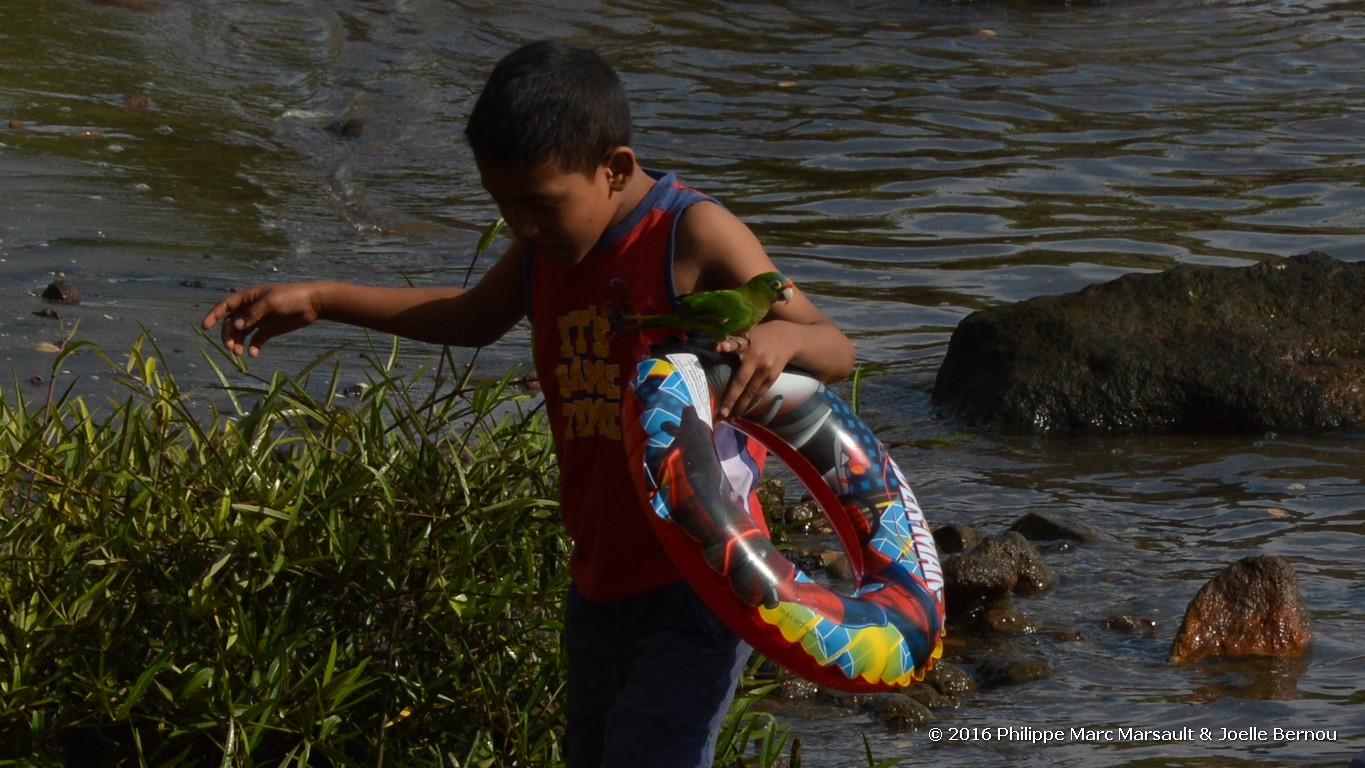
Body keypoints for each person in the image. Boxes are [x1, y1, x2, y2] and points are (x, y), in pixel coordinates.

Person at [202, 40, 855, 768]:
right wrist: (323, 298)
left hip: (698, 572)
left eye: (538, 205)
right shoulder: (547, 247)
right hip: (599, 573)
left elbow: (833, 345)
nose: (519, 225)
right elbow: (470, 318)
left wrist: (776, 339)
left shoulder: (692, 233)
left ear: (614, 168)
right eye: (501, 204)